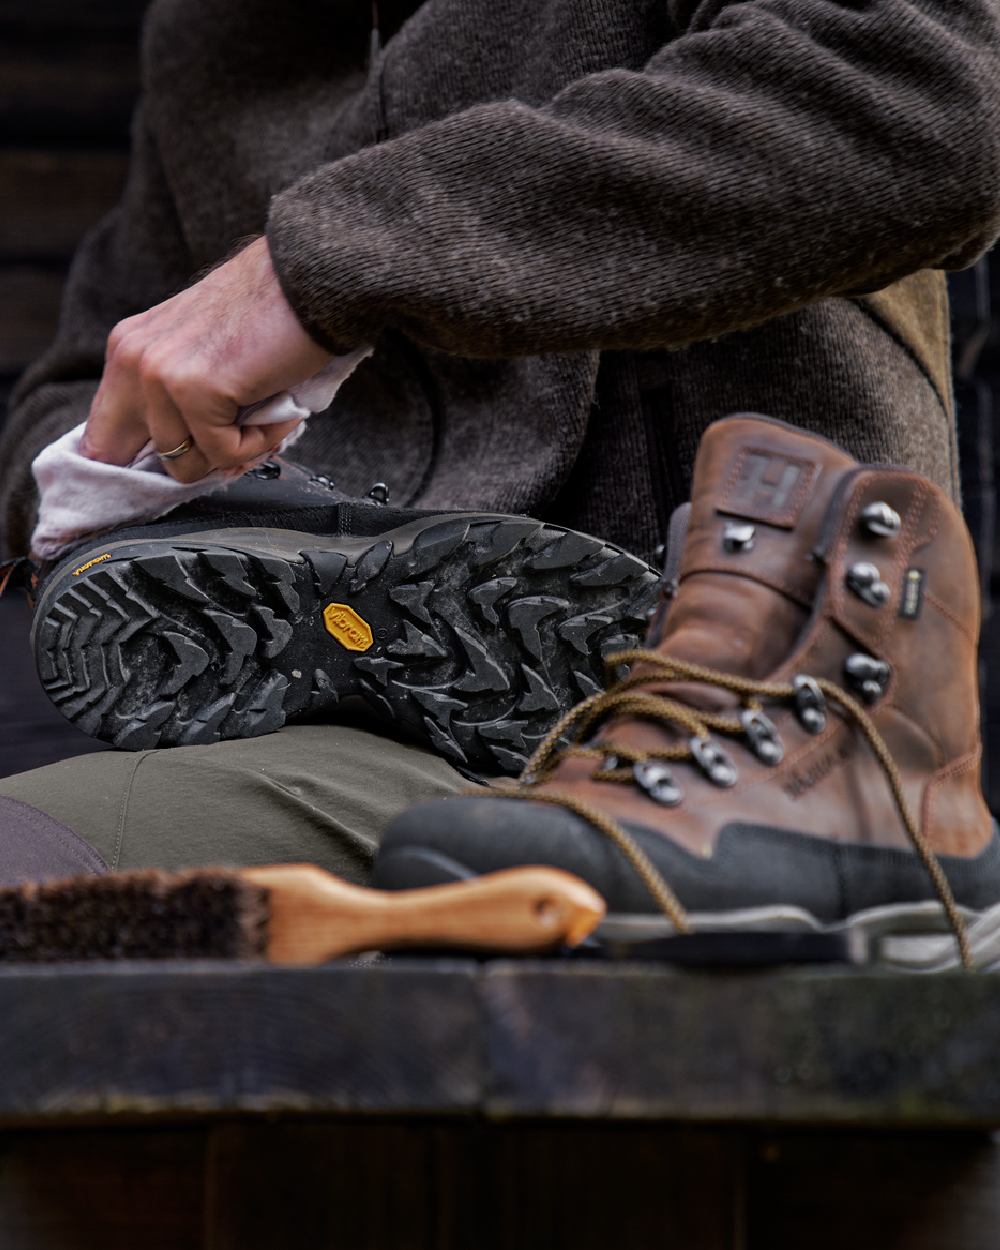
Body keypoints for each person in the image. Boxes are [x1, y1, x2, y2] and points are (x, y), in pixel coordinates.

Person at [1, 0, 999, 886]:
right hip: (276, 733)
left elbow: (933, 91)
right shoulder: (209, 30)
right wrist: (116, 482)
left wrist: (324, 271)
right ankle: (311, 563)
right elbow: (93, 369)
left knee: (32, 863)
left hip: (723, 722)